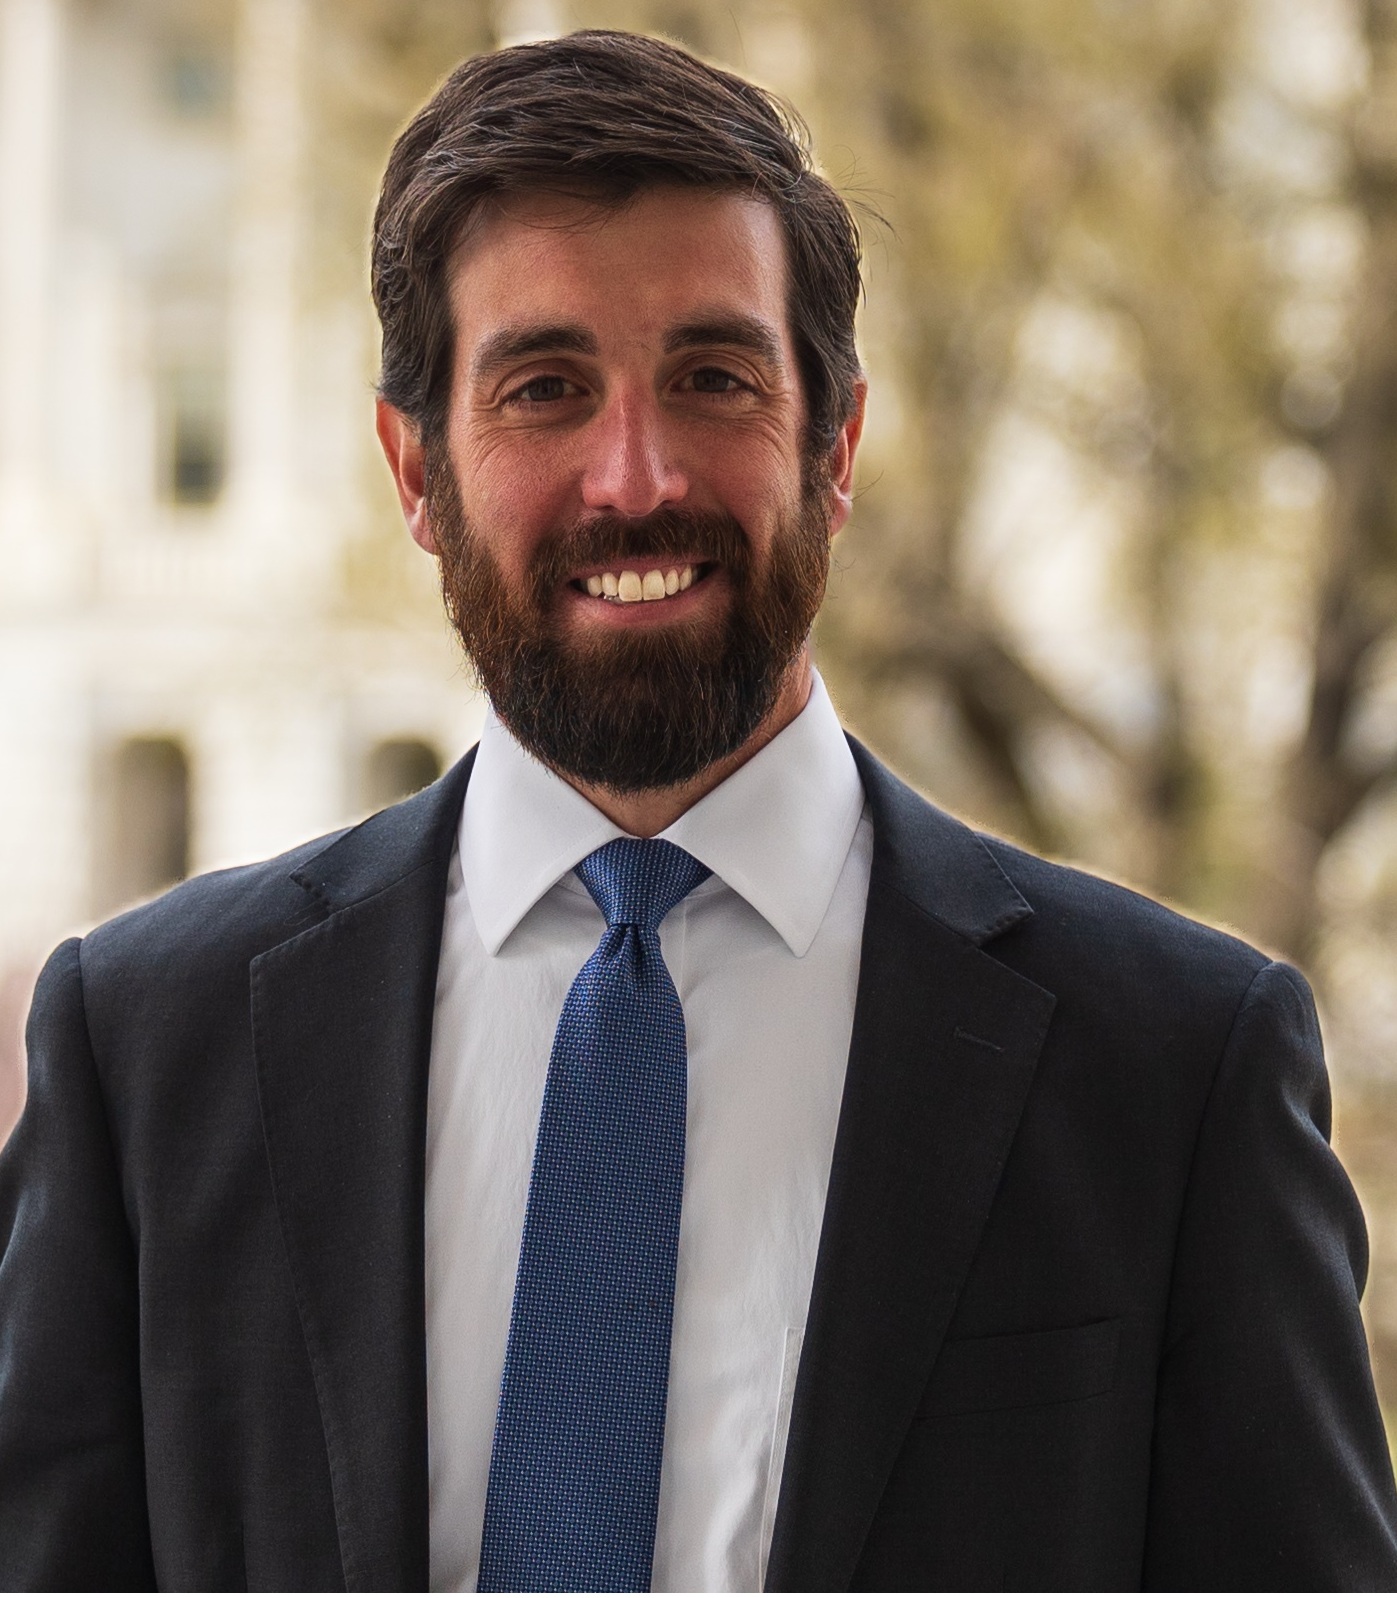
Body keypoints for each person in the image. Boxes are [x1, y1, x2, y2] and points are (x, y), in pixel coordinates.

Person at [1, 29, 1395, 1593]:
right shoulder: (147, 1053)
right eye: (543, 389)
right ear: (414, 470)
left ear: (835, 446)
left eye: (713, 379)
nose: (634, 476)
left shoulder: (1174, 1067)